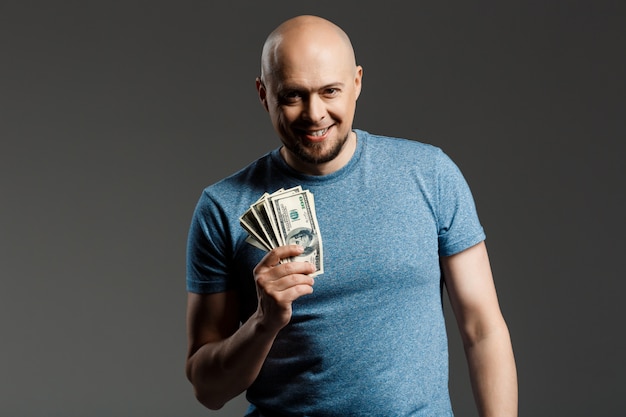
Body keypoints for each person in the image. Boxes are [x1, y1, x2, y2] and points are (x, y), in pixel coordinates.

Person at [185, 14, 517, 417]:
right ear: (263, 93)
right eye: (292, 95)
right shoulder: (224, 207)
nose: (314, 113)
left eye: (330, 91)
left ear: (357, 83)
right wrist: (262, 323)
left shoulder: (430, 175)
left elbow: (482, 330)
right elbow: (208, 390)